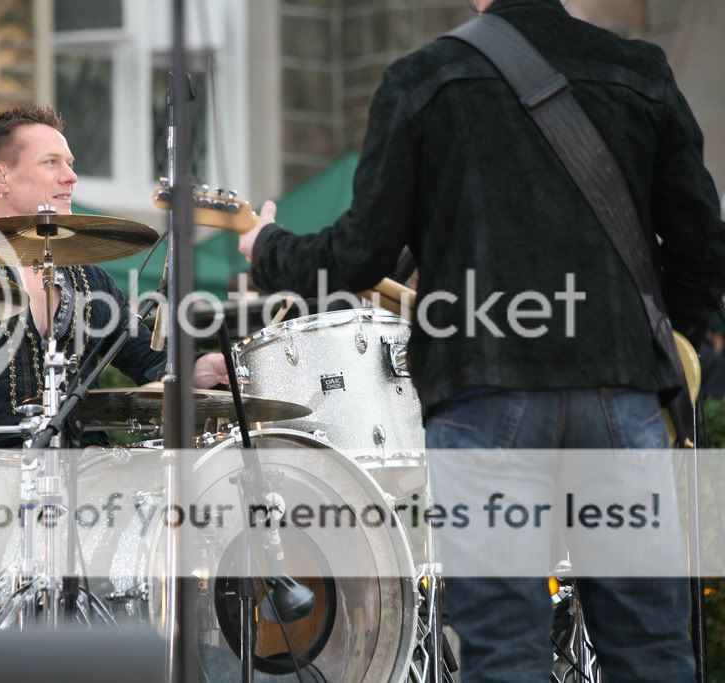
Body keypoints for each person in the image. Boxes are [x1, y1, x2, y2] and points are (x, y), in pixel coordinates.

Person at [239, 0, 725, 680]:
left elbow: (358, 253)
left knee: (505, 653)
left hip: (487, 397)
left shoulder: (422, 78)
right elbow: (703, 242)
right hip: (622, 395)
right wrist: (682, 348)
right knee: (651, 650)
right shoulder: (638, 69)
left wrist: (268, 249)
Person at [0, 105, 227, 448]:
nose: (70, 176)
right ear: (1, 177)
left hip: (88, 478)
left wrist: (204, 365)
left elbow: (148, 357)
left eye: (70, 164)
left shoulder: (90, 279)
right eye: (51, 162)